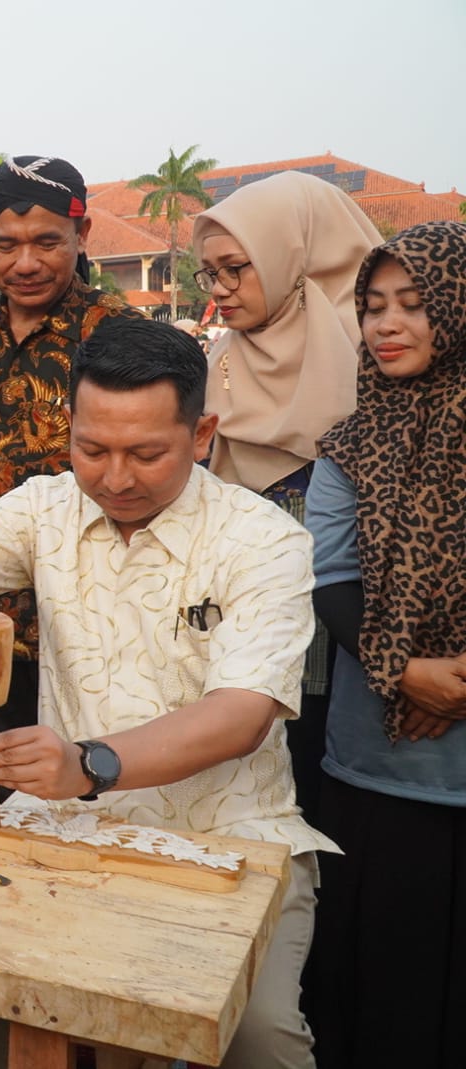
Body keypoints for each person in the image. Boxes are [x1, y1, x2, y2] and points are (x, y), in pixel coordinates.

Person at [0, 317, 333, 1069]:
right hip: (62, 827)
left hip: (234, 834)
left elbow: (242, 712)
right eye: (92, 449)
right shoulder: (45, 507)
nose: (115, 477)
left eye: (146, 453)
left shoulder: (264, 540)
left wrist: (89, 763)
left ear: (202, 435)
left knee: (258, 1036)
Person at [0, 154, 143, 791]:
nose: (26, 263)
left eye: (48, 242)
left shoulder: (117, 337)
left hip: (88, 628)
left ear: (83, 236)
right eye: (6, 245)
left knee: (88, 797)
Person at [304, 221, 466, 1068]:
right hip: (374, 764)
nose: (387, 324)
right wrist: (405, 669)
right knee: (377, 992)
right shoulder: (350, 443)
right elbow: (330, 575)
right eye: (372, 307)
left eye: (413, 303)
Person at [192, 171, 380, 825]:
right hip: (240, 625)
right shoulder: (220, 357)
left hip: (355, 629)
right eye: (208, 273)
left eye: (236, 268)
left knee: (328, 798)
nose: (219, 290)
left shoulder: (379, 353)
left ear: (289, 255)